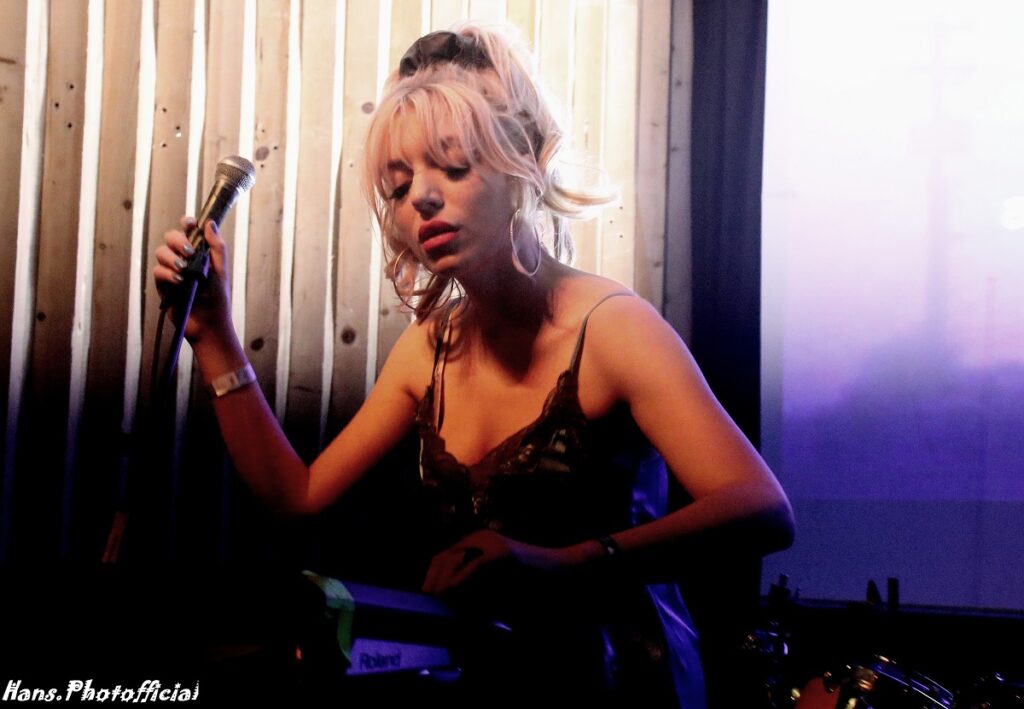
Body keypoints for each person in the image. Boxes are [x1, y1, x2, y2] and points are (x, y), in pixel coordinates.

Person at [154, 23, 793, 707]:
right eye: (398, 187)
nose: (421, 200)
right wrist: (214, 337)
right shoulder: (430, 348)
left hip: (624, 681)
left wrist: (560, 563)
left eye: (453, 168)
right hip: (493, 680)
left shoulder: (613, 329)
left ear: (521, 169)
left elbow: (762, 510)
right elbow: (298, 498)